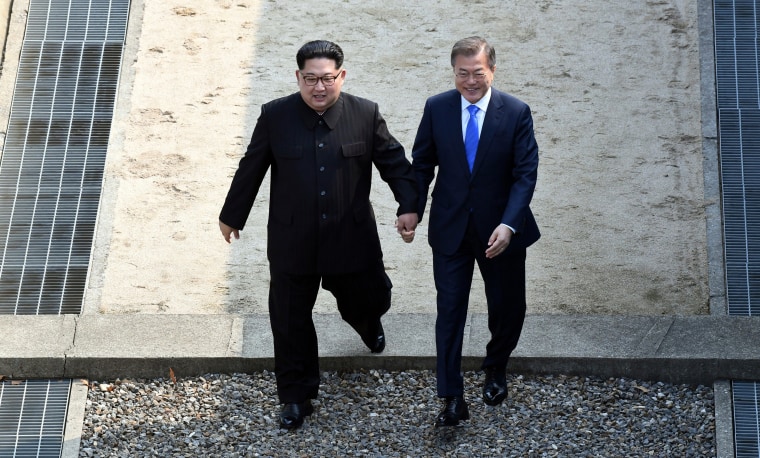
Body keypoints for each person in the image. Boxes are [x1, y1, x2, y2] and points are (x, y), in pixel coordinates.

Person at [219, 40, 418, 430]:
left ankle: (368, 321)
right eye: (310, 79)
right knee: (289, 319)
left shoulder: (365, 113)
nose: (319, 87)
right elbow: (251, 166)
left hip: (352, 237)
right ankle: (296, 397)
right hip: (294, 241)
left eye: (327, 78)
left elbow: (394, 162)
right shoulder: (275, 116)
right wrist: (232, 215)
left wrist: (408, 204)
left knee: (370, 297)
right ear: (298, 78)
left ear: (341, 76)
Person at [411, 36, 540, 427]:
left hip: (499, 231)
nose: (470, 81)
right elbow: (422, 164)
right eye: (462, 73)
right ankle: (451, 397)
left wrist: (509, 223)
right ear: (453, 72)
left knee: (508, 309)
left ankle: (495, 366)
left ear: (493, 71)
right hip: (450, 229)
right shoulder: (437, 108)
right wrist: (411, 208)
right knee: (449, 312)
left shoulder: (516, 112)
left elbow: (525, 174)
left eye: (477, 73)